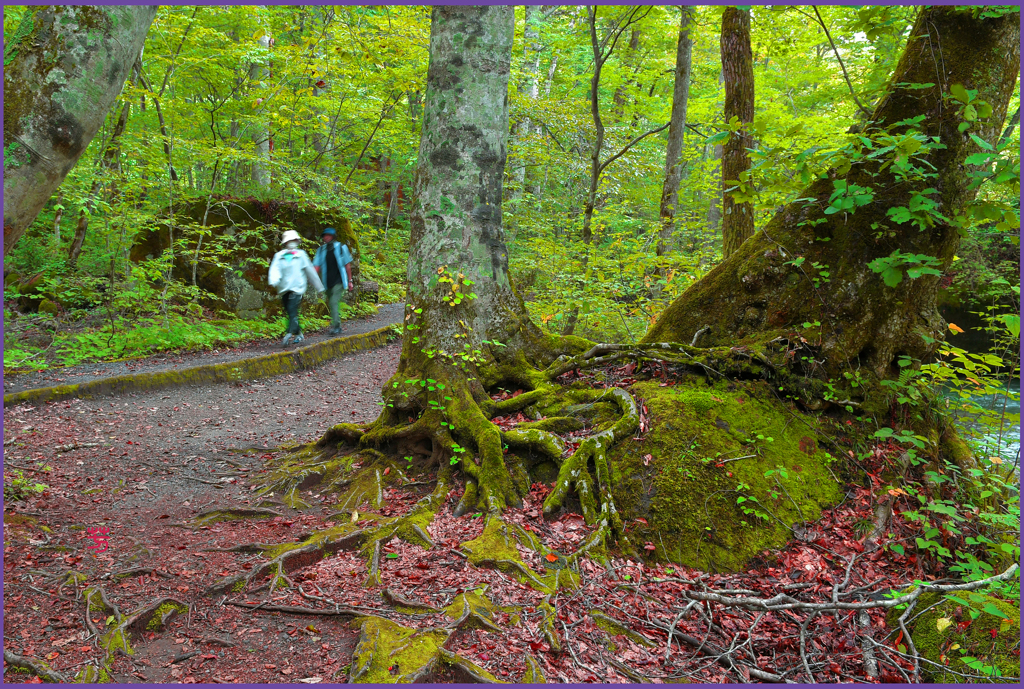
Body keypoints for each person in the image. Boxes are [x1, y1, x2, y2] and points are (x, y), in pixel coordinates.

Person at [268, 229, 323, 346]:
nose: (292, 243)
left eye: (294, 240)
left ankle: (288, 334)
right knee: (290, 311)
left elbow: (310, 271)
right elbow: (274, 269)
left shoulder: (301, 255)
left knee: (292, 310)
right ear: (285, 242)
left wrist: (318, 286)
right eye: (290, 240)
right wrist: (274, 280)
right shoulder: (279, 256)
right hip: (284, 289)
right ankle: (298, 333)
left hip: (297, 288)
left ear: (297, 241)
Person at [312, 226, 355, 335]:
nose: (326, 238)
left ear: (333, 236)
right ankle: (337, 325)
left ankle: (337, 327)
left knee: (333, 302)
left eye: (329, 235)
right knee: (332, 304)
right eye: (325, 236)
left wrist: (350, 281)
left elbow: (347, 265)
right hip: (327, 282)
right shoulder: (321, 250)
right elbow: (316, 266)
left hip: (339, 281)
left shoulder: (341, 247)